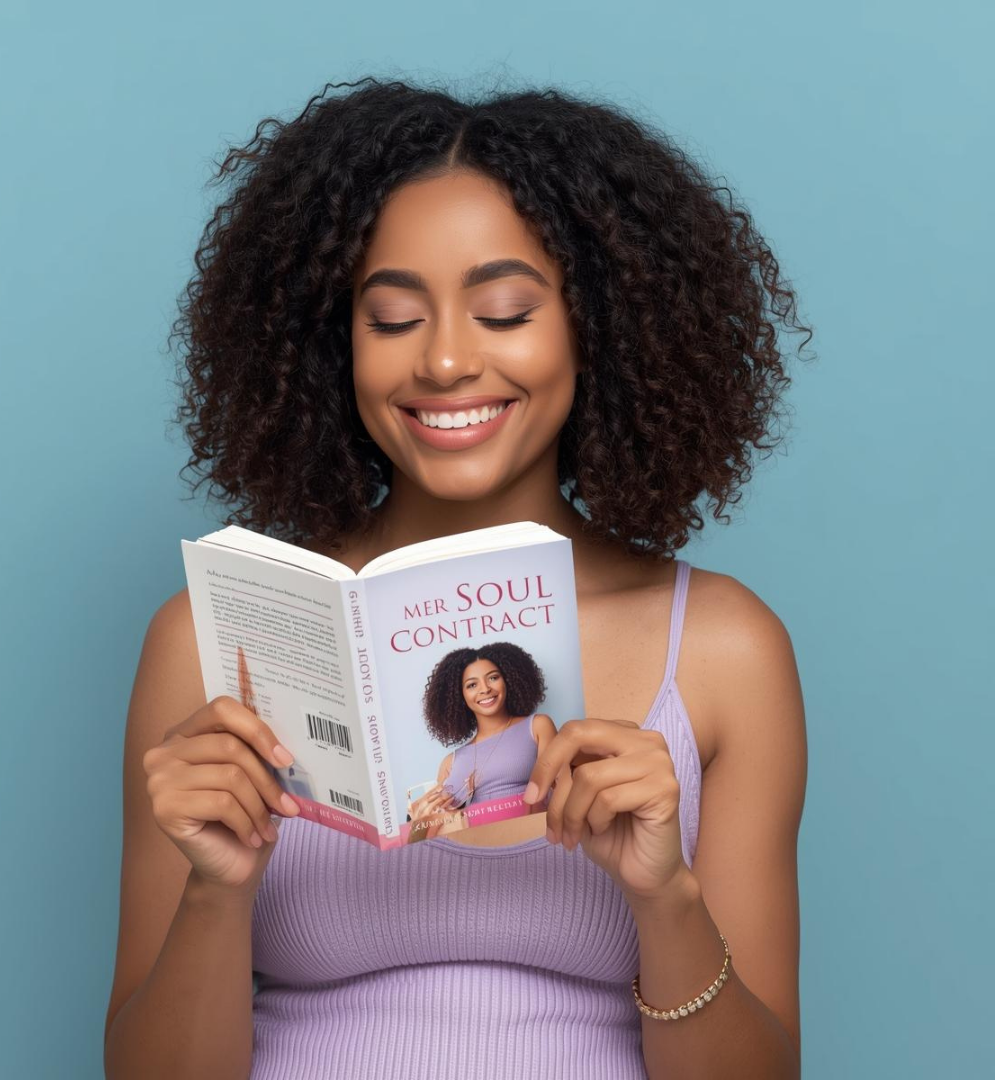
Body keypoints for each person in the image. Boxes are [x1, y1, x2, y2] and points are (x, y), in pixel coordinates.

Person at [103, 76, 811, 1080]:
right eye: (392, 320)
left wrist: (666, 899)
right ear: (329, 345)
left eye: (505, 311)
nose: (442, 361)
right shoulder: (210, 644)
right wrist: (219, 888)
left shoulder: (724, 649)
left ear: (596, 325)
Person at [406, 643, 559, 841]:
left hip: (530, 840)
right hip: (472, 851)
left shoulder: (537, 727)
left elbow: (556, 792)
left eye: (493, 678)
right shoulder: (451, 761)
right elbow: (430, 833)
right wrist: (417, 824)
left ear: (508, 680)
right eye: (472, 685)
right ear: (458, 695)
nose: (485, 689)